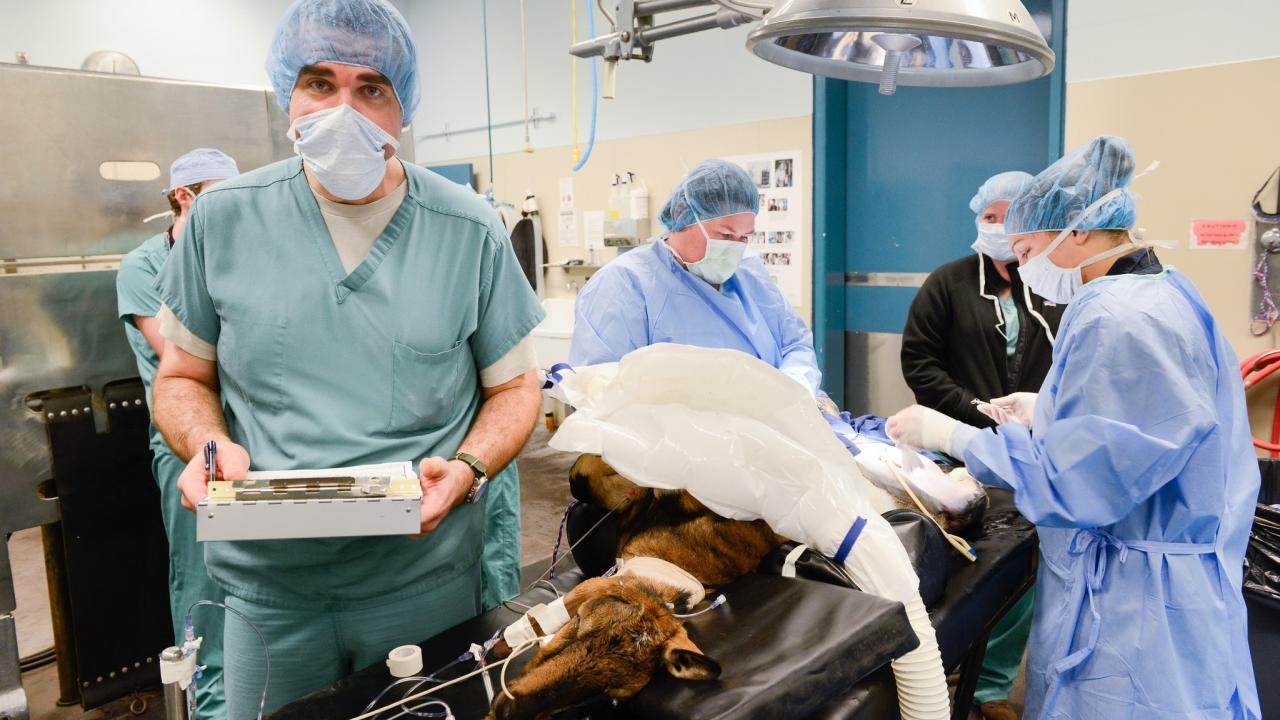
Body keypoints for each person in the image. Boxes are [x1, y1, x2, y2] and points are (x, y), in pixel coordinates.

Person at [151, 0, 545, 714]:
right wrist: (207, 443)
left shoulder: (468, 229)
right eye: (319, 83)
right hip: (268, 590)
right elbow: (182, 377)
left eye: (371, 87)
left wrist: (468, 468)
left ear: (405, 105)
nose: (342, 109)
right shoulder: (222, 219)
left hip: (421, 581)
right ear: (287, 94)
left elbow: (517, 386)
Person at [887, 136, 1261, 719]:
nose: (1023, 265)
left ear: (1078, 232)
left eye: (1028, 247)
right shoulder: (1162, 289)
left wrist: (953, 436)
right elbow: (1148, 425)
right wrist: (1050, 410)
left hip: (1136, 606)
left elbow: (1076, 484)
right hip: (1177, 578)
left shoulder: (1115, 316)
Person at [900, 170, 1061, 720]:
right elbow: (920, 362)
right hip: (957, 446)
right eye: (989, 218)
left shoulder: (1056, 285)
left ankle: (990, 685)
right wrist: (971, 420)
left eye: (1011, 219)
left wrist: (1036, 415)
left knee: (1021, 566)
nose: (999, 230)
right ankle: (942, 667)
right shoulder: (948, 282)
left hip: (1037, 451)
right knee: (962, 564)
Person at [116, 147, 239, 718]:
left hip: (246, 440)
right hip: (187, 445)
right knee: (202, 579)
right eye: (218, 196)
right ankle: (209, 704)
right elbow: (185, 356)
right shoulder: (143, 267)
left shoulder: (236, 250)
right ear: (183, 197)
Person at [569, 159, 820, 396]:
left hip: (768, 428)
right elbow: (600, 387)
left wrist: (795, 389)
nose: (735, 248)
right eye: (725, 235)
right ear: (683, 216)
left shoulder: (749, 272)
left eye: (744, 237)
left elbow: (795, 344)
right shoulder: (624, 285)